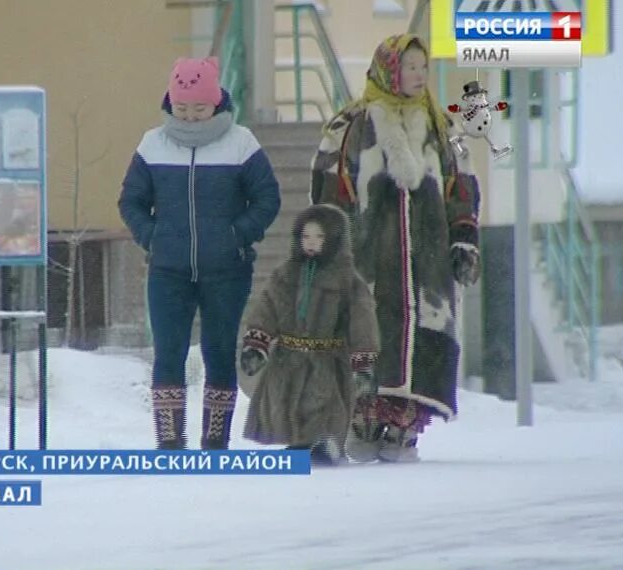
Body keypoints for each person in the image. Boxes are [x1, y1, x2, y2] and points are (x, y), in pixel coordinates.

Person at [309, 34, 482, 462]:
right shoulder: (348, 127)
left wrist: (463, 237)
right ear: (389, 71)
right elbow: (327, 191)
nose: (419, 76)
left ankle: (404, 431)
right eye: (410, 68)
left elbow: (463, 186)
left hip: (428, 268)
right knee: (367, 337)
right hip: (369, 266)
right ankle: (362, 425)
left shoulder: (443, 129)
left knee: (423, 334)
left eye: (424, 68)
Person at [118, 56, 281, 450]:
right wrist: (152, 237)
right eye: (182, 108)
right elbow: (130, 202)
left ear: (216, 103)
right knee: (168, 353)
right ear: (171, 104)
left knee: (219, 351)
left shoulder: (241, 142)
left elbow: (267, 198)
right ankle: (170, 441)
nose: (190, 117)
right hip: (168, 271)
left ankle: (215, 440)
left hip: (227, 271)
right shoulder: (152, 144)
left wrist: (237, 235)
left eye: (199, 108)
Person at [239, 204, 380, 466]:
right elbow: (268, 308)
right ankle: (300, 443)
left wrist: (363, 361)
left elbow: (362, 321)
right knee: (291, 404)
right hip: (289, 357)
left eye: (319, 237)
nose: (311, 244)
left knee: (324, 404)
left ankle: (325, 444)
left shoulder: (347, 280)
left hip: (327, 356)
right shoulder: (286, 274)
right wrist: (257, 344)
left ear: (334, 240)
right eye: (306, 237)